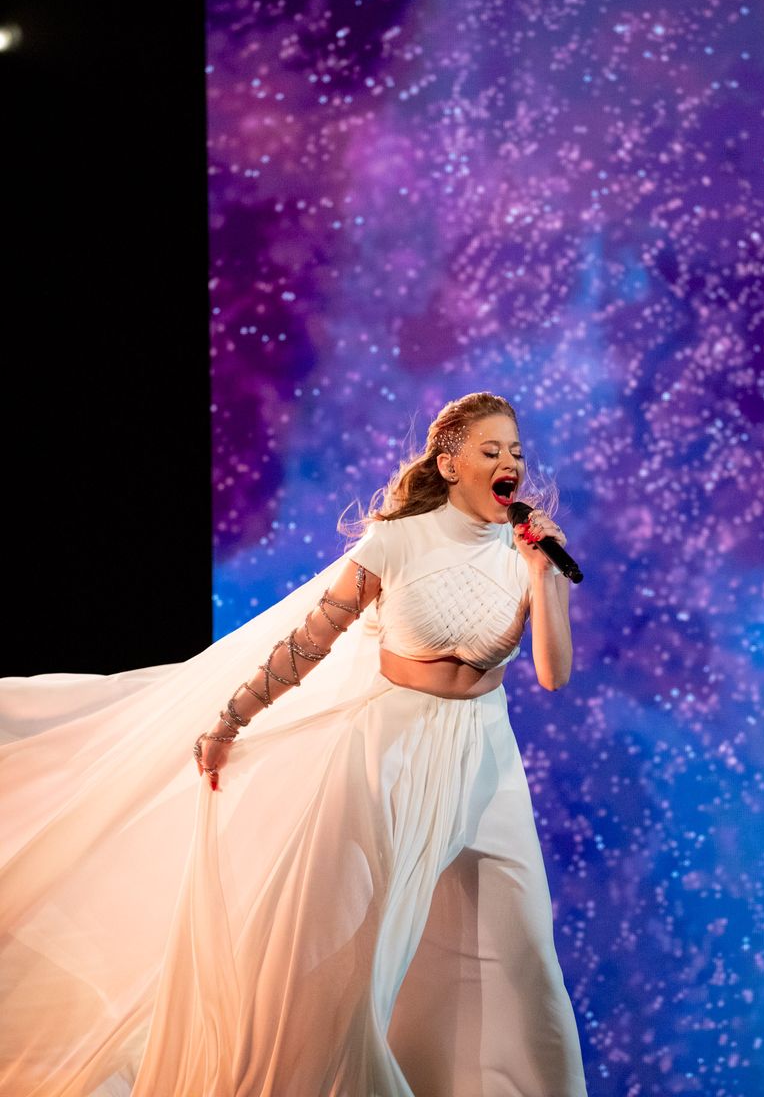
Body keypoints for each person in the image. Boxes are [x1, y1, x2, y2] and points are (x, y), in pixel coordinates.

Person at [0, 391, 588, 1097]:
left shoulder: (521, 554)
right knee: (365, 951)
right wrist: (230, 720)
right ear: (450, 462)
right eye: (492, 451)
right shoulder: (396, 543)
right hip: (391, 752)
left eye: (517, 453)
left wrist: (541, 576)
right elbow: (310, 642)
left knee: (517, 950)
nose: (510, 464)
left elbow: (553, 676)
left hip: (484, 757)